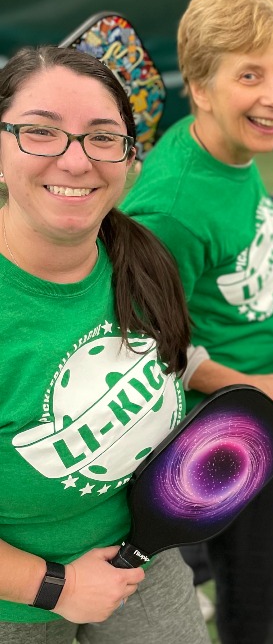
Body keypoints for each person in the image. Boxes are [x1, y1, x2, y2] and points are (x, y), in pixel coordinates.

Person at [120, 0, 273, 644]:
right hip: (218, 420)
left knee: (211, 548)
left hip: (257, 391)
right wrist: (245, 386)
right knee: (256, 587)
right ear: (199, 88)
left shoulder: (233, 147)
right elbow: (145, 344)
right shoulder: (171, 205)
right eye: (249, 75)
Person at [0, 46, 209, 643]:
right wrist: (53, 586)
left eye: (101, 137)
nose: (75, 160)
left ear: (128, 158)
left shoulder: (143, 259)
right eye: (41, 132)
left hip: (142, 564)